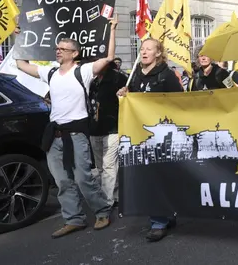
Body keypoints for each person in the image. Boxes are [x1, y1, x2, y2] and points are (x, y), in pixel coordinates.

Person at [15, 17, 118, 238]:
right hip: (55, 136)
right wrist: (18, 37)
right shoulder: (50, 72)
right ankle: (74, 219)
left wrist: (113, 28)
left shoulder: (84, 71)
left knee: (83, 178)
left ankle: (102, 211)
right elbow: (21, 65)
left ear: (74, 53)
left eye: (63, 48)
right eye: (57, 48)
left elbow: (109, 58)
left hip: (77, 135)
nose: (58, 51)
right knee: (62, 181)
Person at [117, 38, 184, 242]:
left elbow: (180, 101)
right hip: (142, 134)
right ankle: (161, 218)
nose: (144, 52)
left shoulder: (166, 75)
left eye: (149, 49)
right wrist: (124, 94)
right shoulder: (135, 75)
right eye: (142, 48)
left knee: (161, 177)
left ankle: (162, 218)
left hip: (163, 135)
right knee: (149, 177)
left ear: (158, 53)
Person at [89, 60, 127, 207]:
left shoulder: (118, 78)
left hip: (113, 128)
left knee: (109, 165)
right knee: (100, 167)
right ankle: (115, 195)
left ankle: (106, 202)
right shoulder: (91, 80)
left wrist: (125, 93)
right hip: (95, 128)